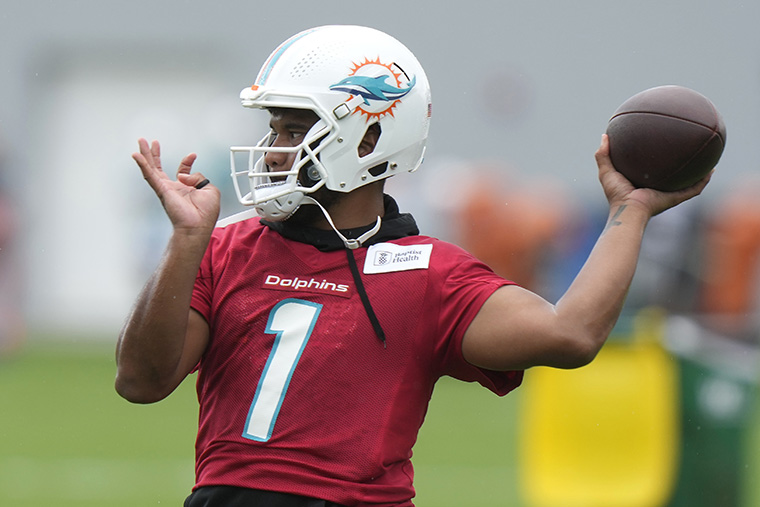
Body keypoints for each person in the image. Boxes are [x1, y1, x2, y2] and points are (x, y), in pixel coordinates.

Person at [115, 25, 710, 507]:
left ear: (369, 140)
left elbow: (570, 334)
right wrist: (185, 241)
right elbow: (141, 381)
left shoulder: (428, 275)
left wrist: (630, 211)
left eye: (295, 129)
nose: (273, 148)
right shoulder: (223, 246)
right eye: (274, 128)